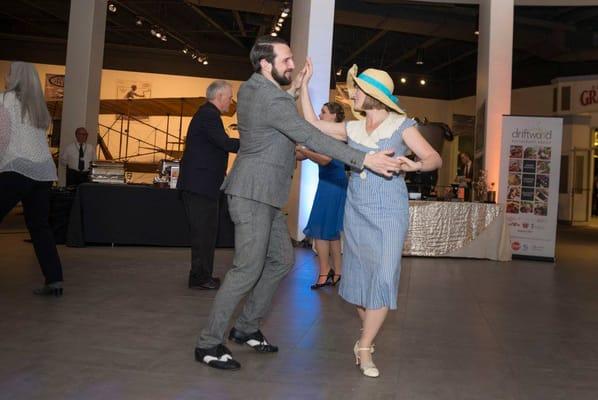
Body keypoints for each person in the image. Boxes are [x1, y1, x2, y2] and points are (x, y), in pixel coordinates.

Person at [193, 35, 405, 371]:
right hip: (252, 194)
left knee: (281, 260)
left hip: (268, 196)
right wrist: (365, 160)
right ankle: (208, 343)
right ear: (265, 63)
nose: (292, 65)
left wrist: (297, 87)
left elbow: (279, 112)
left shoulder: (255, 90)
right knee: (246, 268)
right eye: (287, 59)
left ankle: (247, 326)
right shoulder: (269, 99)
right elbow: (310, 135)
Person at [300, 60, 442, 377]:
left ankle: (364, 348)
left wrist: (414, 166)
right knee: (361, 278)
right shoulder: (351, 128)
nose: (352, 95)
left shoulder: (404, 126)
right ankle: (367, 337)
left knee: (384, 275)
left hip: (390, 209)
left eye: (357, 90)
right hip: (357, 209)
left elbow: (433, 157)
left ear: (372, 94)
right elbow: (311, 124)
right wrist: (304, 87)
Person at [0, 61, 64, 296]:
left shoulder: (4, 99)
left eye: (9, 72)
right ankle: (54, 280)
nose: (7, 76)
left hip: (16, 169)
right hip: (43, 172)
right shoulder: (39, 106)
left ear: (15, 76)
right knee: (40, 228)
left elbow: (2, 138)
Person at [177, 80, 239, 290]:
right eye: (229, 97)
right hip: (201, 187)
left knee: (204, 233)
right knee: (204, 233)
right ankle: (201, 278)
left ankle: (200, 276)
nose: (231, 102)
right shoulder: (209, 115)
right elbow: (224, 143)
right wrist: (253, 144)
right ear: (219, 96)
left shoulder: (206, 114)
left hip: (201, 186)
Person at [296, 102, 347, 289]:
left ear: (334, 116)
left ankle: (325, 273)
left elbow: (325, 160)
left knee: (319, 229)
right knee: (331, 232)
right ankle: (338, 273)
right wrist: (298, 150)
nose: (320, 114)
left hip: (332, 185)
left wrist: (304, 150)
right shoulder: (325, 136)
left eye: (323, 112)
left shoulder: (335, 136)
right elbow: (304, 155)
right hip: (331, 183)